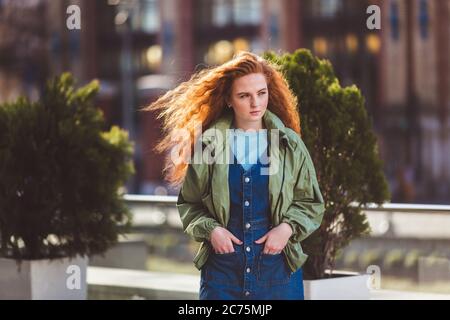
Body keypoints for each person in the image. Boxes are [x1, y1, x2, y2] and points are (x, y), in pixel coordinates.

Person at [145, 51, 325, 300]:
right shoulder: (209, 145)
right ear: (229, 99)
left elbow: (311, 202)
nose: (256, 104)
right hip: (222, 275)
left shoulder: (289, 144)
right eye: (244, 96)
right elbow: (190, 204)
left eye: (262, 93)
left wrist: (286, 228)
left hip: (278, 274)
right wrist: (212, 231)